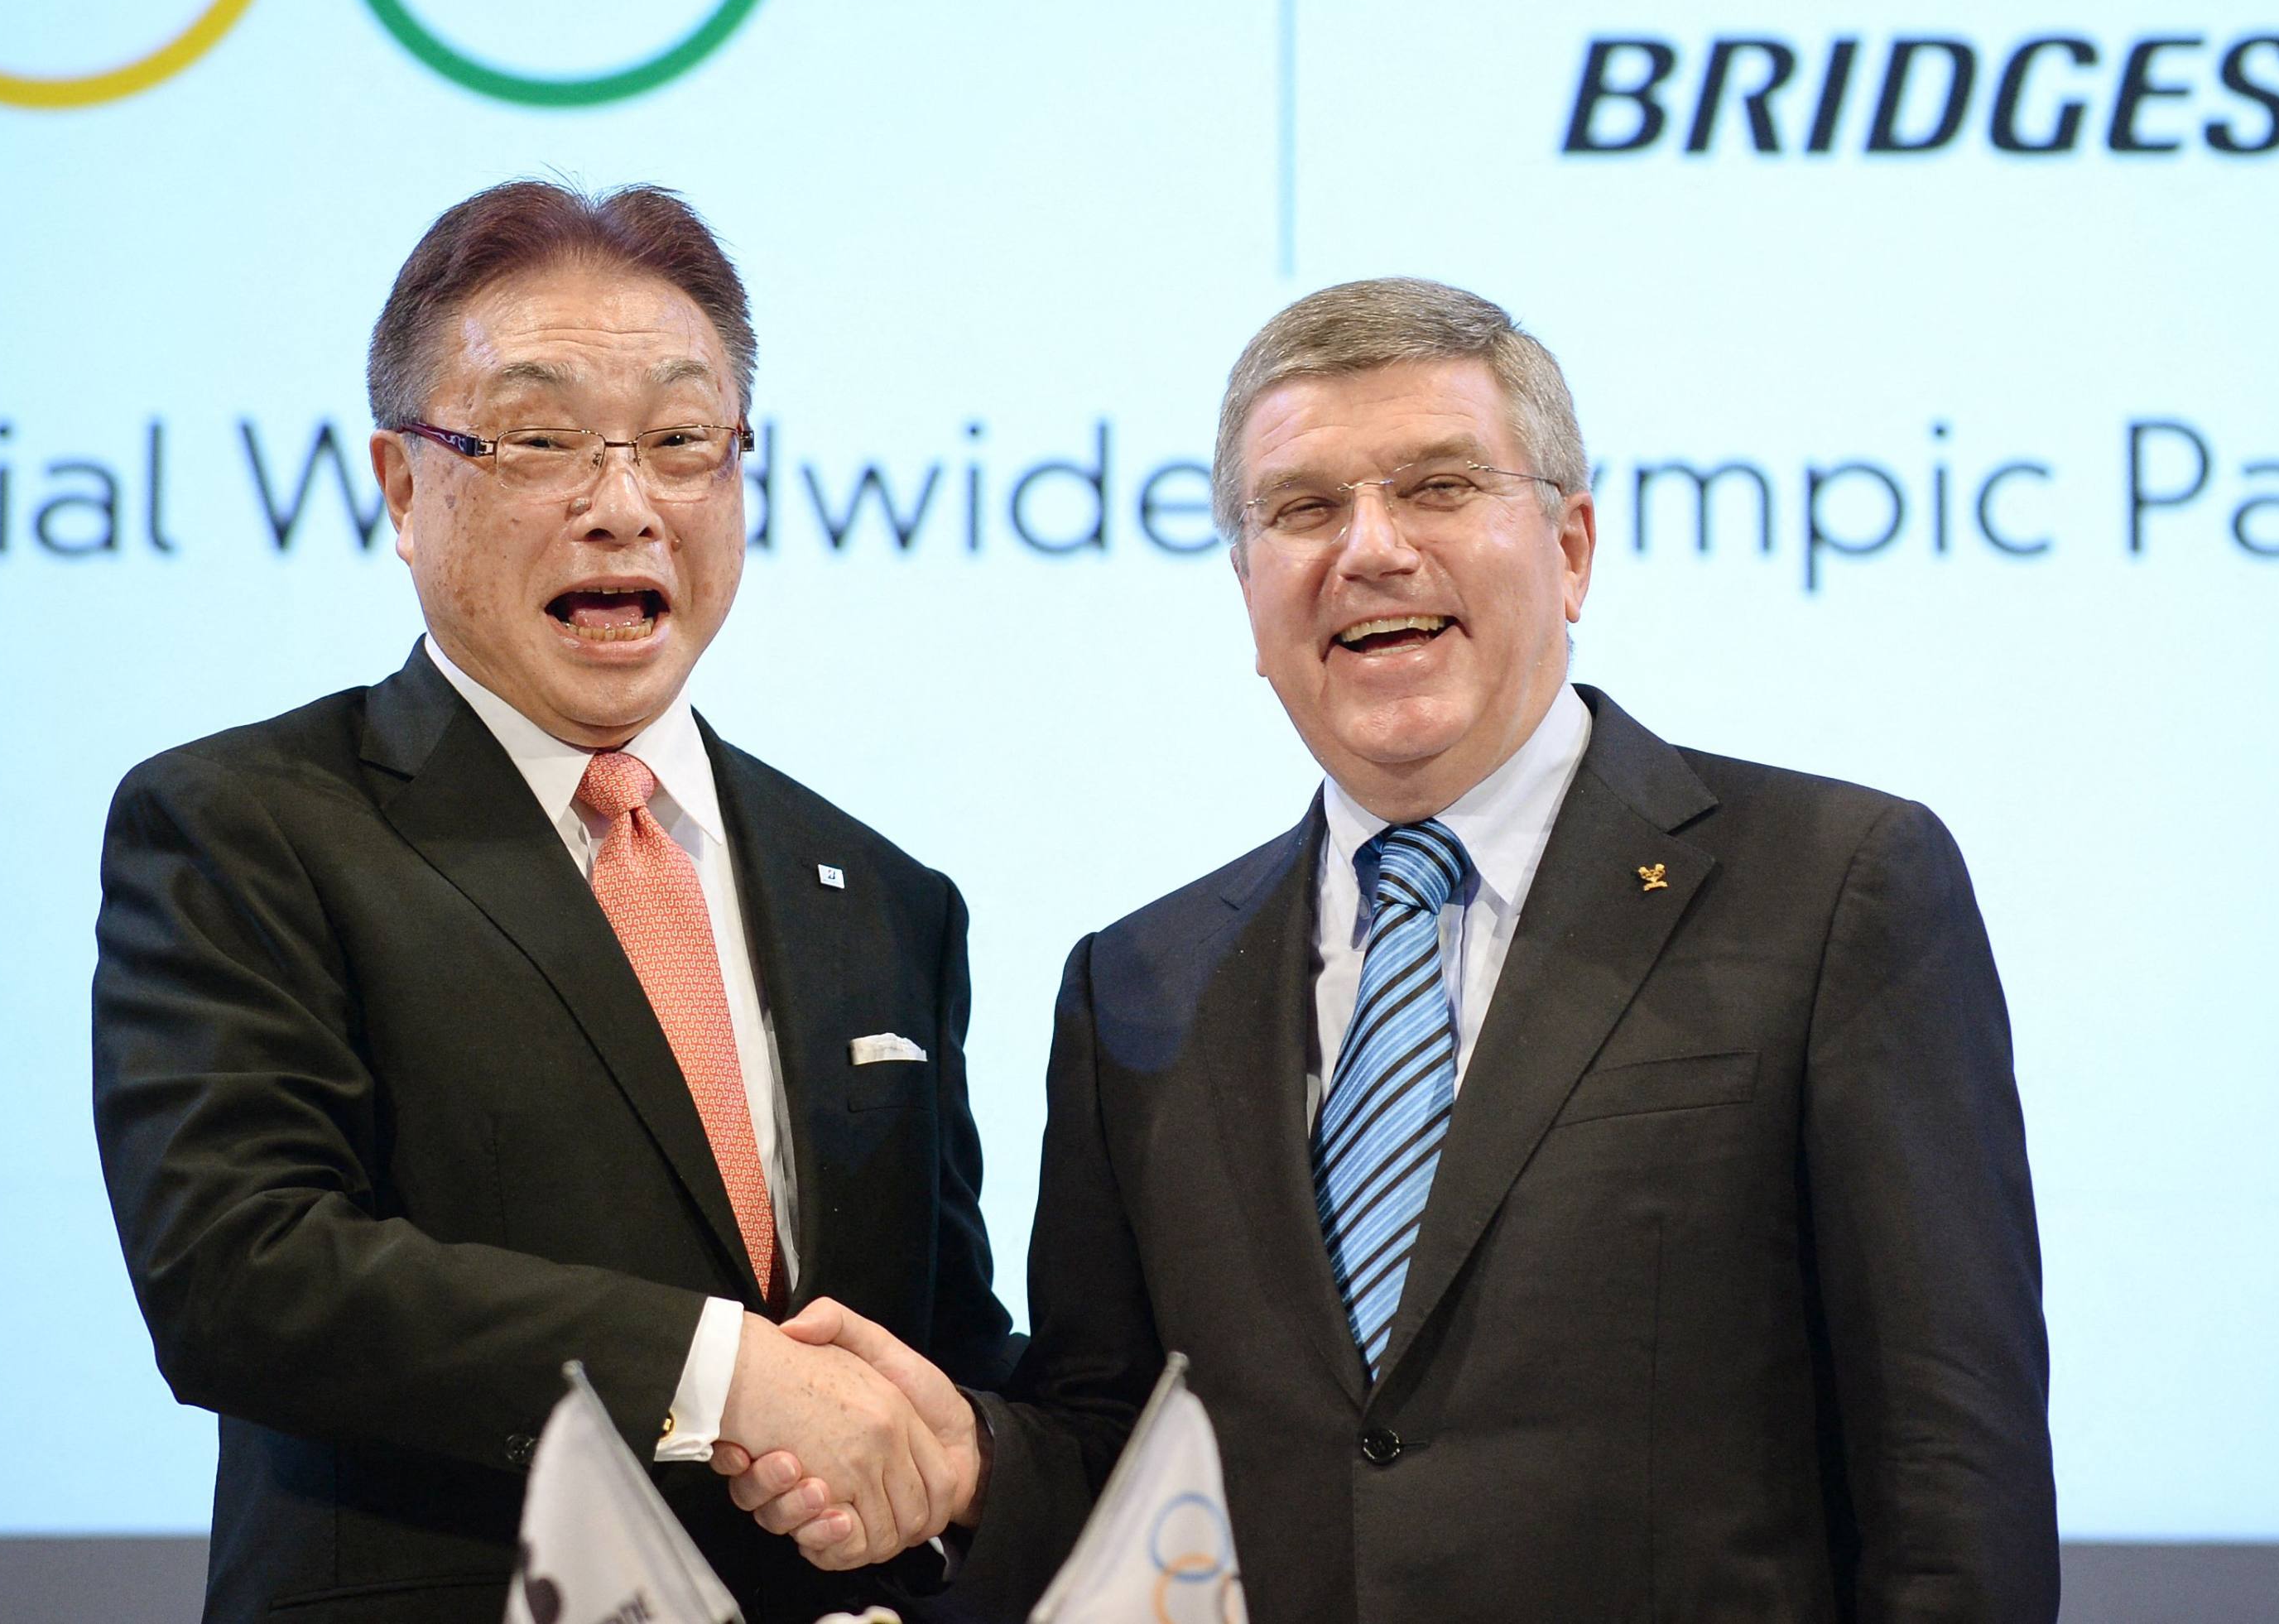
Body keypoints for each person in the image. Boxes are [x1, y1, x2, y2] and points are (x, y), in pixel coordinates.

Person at [728, 276, 2057, 1620]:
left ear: (1574, 546)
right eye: (1304, 509)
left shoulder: (1834, 888)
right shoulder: (1137, 986)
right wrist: (975, 1462)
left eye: (1437, 486)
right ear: (1248, 590)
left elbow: (1953, 1484)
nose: (1370, 548)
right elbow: (1120, 1463)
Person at [93, 180, 1012, 1624]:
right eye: (538, 441)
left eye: (681, 441)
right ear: (404, 488)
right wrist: (720, 1376)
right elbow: (245, 1276)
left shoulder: (883, 893)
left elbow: (940, 1344)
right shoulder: (248, 824)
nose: (625, 505)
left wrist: (967, 1461)